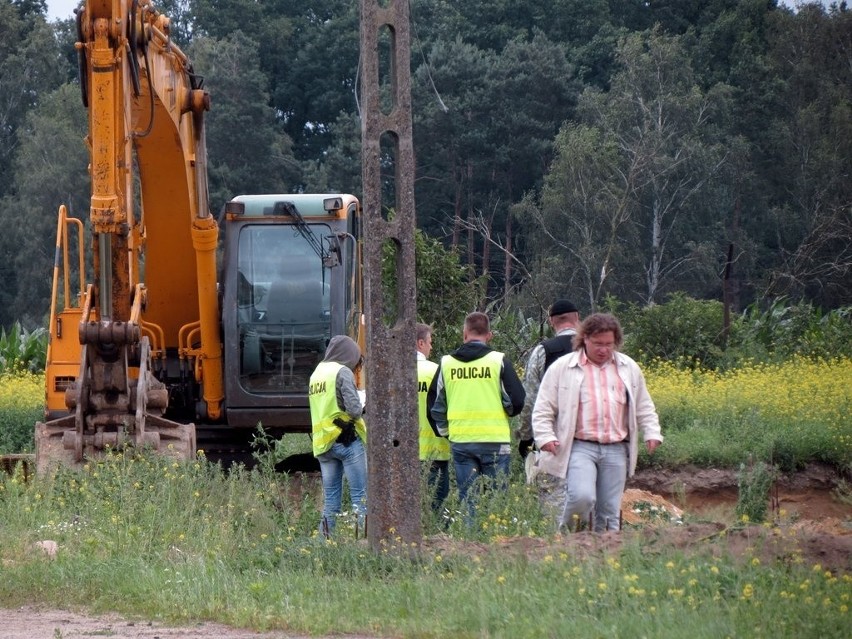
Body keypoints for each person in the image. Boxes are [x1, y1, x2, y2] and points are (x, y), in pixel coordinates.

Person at [532, 313, 662, 532]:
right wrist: (545, 437)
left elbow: (643, 405)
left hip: (616, 448)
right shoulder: (563, 368)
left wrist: (652, 432)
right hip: (580, 446)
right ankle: (570, 540)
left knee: (610, 509)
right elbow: (543, 407)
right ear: (584, 340)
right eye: (598, 344)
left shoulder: (628, 368)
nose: (603, 350)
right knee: (582, 497)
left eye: (609, 344)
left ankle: (606, 555)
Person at [429, 312, 526, 519]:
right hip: (495, 441)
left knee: (468, 501)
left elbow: (435, 406)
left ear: (464, 334)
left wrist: (446, 432)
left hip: (462, 442)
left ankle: (469, 543)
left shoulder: (447, 363)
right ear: (489, 335)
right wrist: (507, 411)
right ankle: (496, 543)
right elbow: (517, 400)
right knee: (497, 501)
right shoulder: (498, 361)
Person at [308, 334, 367, 536]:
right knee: (360, 497)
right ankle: (362, 541)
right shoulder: (341, 372)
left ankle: (325, 542)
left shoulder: (316, 374)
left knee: (331, 500)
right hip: (347, 442)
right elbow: (354, 410)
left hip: (324, 444)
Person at [517, 299, 582, 459]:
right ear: (578, 318)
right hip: (589, 435)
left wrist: (526, 436)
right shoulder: (594, 348)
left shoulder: (543, 351)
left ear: (551, 321)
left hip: (553, 437)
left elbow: (530, 397)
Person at [416, 323, 450, 514]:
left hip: (402, 453)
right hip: (435, 449)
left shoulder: (394, 373)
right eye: (430, 342)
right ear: (421, 343)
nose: (431, 347)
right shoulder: (436, 372)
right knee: (438, 507)